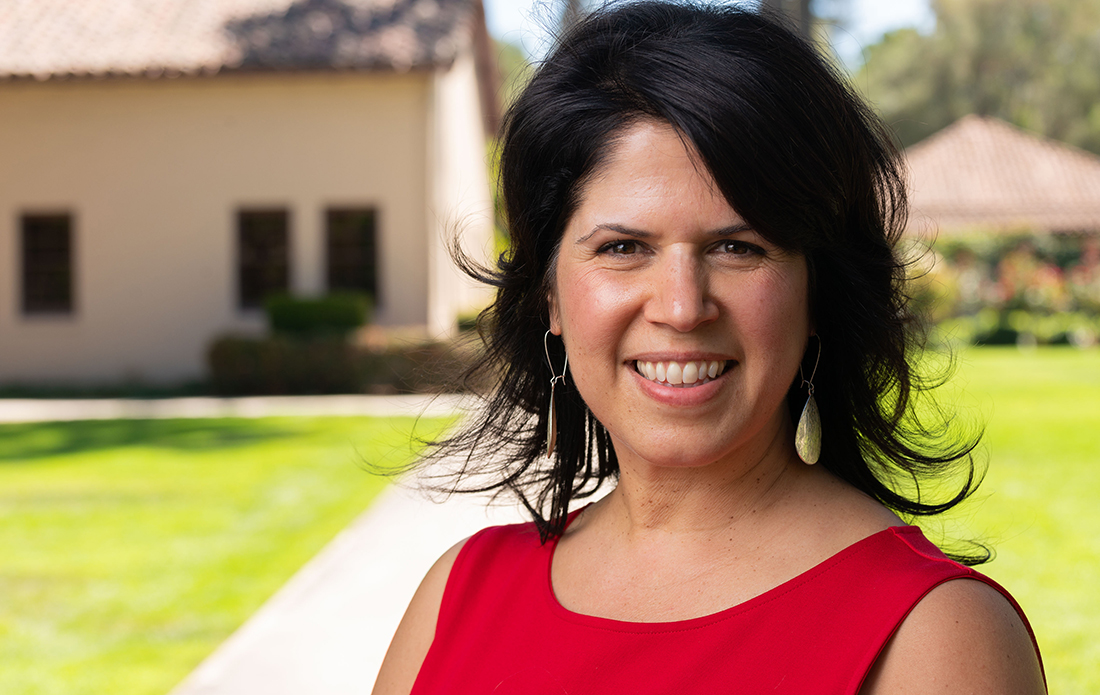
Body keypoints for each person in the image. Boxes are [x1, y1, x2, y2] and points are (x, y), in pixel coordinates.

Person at [374, 2, 1046, 693]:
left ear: (817, 293)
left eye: (737, 247)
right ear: (549, 294)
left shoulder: (934, 635)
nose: (682, 306)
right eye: (623, 247)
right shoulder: (457, 596)